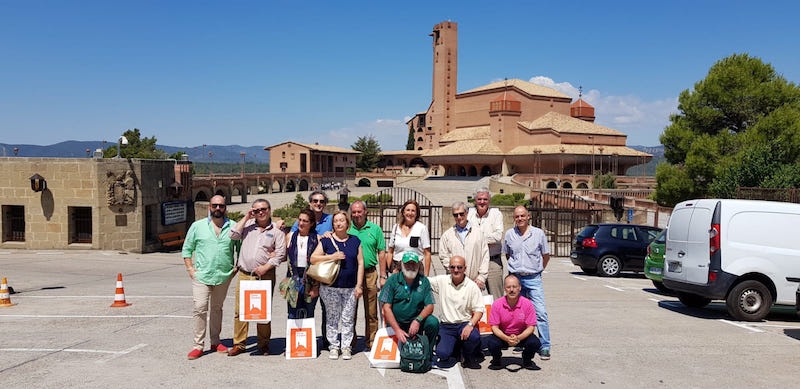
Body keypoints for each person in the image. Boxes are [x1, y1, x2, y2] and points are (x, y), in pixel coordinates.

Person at [227, 198, 286, 356]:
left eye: (264, 209)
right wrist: (246, 217)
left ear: (269, 210)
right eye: (257, 210)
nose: (261, 212)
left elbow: (280, 254)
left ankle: (264, 344)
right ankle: (239, 344)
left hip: (265, 275)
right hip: (245, 274)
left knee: (263, 311)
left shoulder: (276, 232)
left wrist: (266, 266)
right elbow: (232, 234)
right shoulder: (247, 227)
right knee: (240, 311)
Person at [182, 195, 237, 360]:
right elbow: (187, 249)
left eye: (221, 206)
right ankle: (198, 345)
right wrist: (190, 269)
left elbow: (241, 248)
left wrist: (235, 268)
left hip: (223, 275)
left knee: (217, 308)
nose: (218, 209)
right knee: (200, 308)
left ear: (225, 208)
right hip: (202, 275)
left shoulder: (233, 227)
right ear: (209, 207)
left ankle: (215, 341)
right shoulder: (197, 226)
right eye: (214, 205)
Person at [310, 211, 364, 360]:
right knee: (332, 318)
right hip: (330, 287)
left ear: (347, 223)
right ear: (333, 224)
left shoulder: (355, 241)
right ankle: (333, 346)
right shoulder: (326, 240)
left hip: (350, 287)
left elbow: (360, 263)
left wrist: (359, 285)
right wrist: (332, 256)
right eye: (336, 221)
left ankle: (346, 346)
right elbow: (313, 258)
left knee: (348, 318)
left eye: (342, 220)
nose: (339, 223)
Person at [502, 205, 552, 360]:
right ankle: (521, 341)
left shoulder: (538, 234)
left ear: (528, 216)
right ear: (514, 218)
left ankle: (545, 345)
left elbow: (546, 255)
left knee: (540, 312)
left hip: (533, 278)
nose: (520, 219)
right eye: (517, 216)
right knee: (518, 313)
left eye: (522, 216)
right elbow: (508, 255)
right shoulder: (510, 234)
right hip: (516, 278)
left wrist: (538, 270)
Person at [291, 190, 334, 348]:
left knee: (326, 307)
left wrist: (332, 233)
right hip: (306, 272)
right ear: (310, 203)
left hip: (325, 269)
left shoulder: (330, 219)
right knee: (301, 307)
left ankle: (326, 339)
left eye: (321, 201)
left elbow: (340, 231)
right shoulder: (302, 221)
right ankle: (300, 341)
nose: (318, 203)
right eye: (315, 201)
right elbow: (292, 238)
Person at [428, 255, 484, 369]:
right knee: (442, 354)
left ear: (465, 268)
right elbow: (424, 281)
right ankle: (456, 349)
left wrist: (470, 325)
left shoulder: (472, 286)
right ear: (449, 268)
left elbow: (479, 310)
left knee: (474, 337)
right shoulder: (442, 281)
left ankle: (468, 356)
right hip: (447, 326)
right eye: (453, 267)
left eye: (459, 267)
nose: (456, 270)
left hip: (464, 324)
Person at [347, 200, 386, 351]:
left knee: (371, 311)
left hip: (370, 272)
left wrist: (382, 275)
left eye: (359, 211)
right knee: (350, 310)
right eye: (354, 212)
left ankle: (371, 342)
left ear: (366, 212)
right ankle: (350, 341)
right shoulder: (347, 228)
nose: (356, 215)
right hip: (352, 273)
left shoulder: (375, 229)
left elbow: (381, 252)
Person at [379, 252, 439, 349]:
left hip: (416, 321)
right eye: (407, 264)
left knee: (433, 322)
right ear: (402, 265)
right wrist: (397, 330)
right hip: (396, 322)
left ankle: (428, 355)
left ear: (418, 265)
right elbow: (386, 308)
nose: (411, 266)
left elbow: (430, 306)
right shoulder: (393, 280)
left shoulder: (424, 281)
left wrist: (417, 320)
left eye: (413, 264)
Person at [486, 274, 542, 370]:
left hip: (521, 336)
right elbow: (494, 327)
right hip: (503, 336)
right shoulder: (497, 304)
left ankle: (527, 359)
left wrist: (518, 338)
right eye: (508, 287)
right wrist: (507, 338)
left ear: (520, 288)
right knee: (491, 342)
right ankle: (496, 359)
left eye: (514, 287)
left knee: (535, 343)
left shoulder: (527, 304)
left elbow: (531, 327)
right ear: (504, 288)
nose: (511, 290)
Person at [439, 201, 489, 290]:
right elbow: (443, 256)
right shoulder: (447, 235)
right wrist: (455, 272)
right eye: (455, 215)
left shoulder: (478, 233)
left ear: (467, 213)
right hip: (455, 283)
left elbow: (485, 256)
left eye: (461, 214)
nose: (459, 217)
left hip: (475, 283)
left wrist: (481, 278)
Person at [467, 187, 504, 298]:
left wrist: (477, 239)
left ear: (489, 200)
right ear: (475, 200)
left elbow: (498, 237)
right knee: (472, 297)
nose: (482, 202)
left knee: (497, 298)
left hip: (492, 262)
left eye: (485, 199)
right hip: (474, 261)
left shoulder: (496, 214)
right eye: (479, 199)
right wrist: (486, 239)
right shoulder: (469, 214)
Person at [285, 208, 320, 319]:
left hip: (310, 279)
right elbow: (283, 255)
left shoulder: (317, 239)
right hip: (292, 278)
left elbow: (319, 264)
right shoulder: (290, 236)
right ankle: (292, 336)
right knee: (292, 312)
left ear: (311, 223)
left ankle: (307, 336)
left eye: (305, 221)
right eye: (299, 220)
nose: (301, 223)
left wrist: (316, 287)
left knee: (308, 311)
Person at [386, 200, 432, 281]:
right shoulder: (396, 228)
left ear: (416, 214)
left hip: (415, 268)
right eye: (408, 210)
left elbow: (427, 253)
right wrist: (386, 273)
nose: (410, 213)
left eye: (413, 211)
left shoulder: (421, 228)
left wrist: (426, 276)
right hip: (397, 269)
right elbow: (390, 252)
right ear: (403, 212)